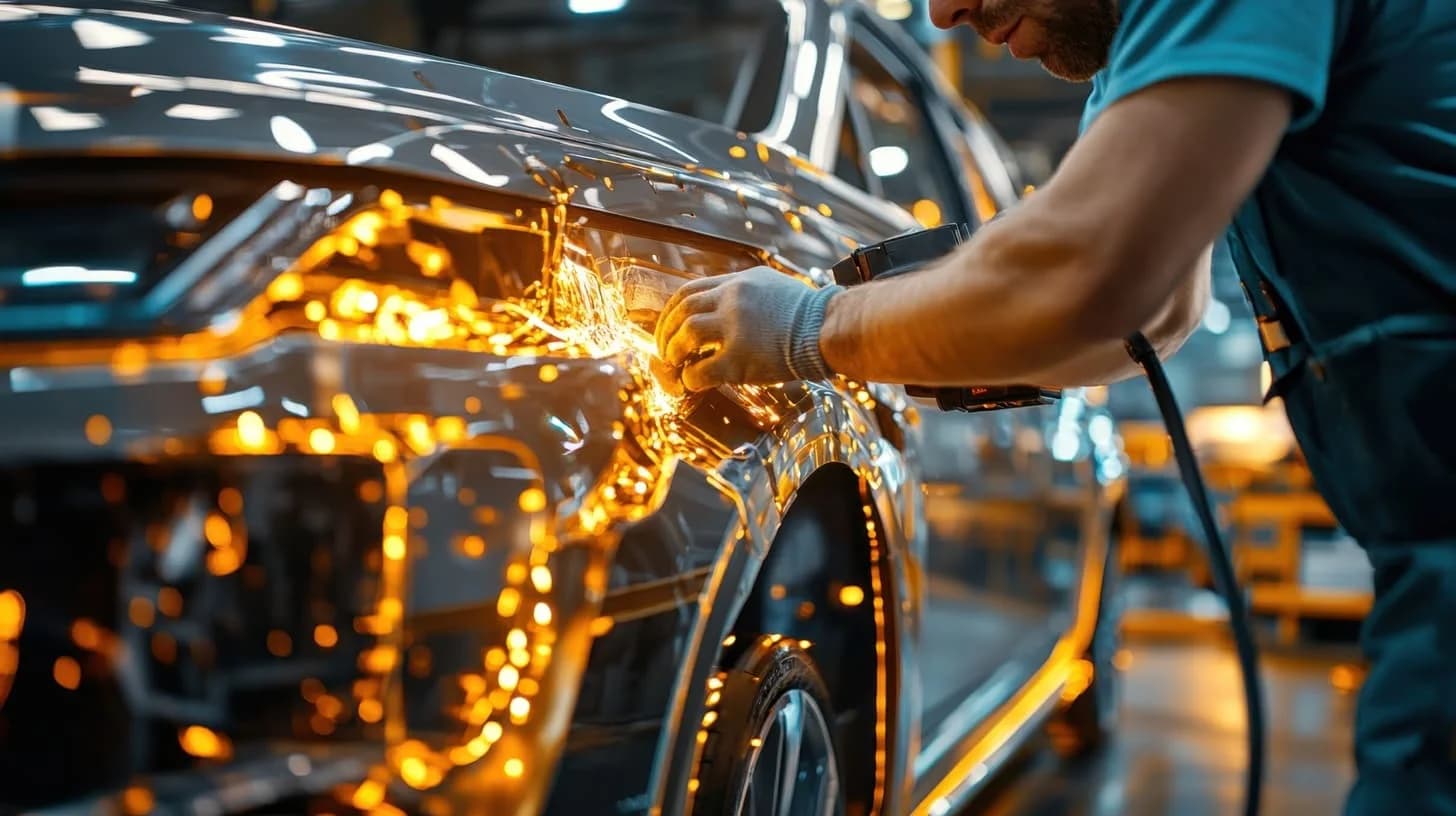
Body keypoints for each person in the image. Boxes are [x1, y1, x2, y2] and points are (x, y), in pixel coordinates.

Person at [653, 0, 1456, 812]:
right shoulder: (1140, 51)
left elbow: (1090, 268)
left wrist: (808, 325)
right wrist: (940, 329)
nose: (945, 10)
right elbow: (1149, 312)